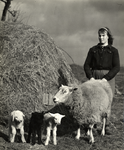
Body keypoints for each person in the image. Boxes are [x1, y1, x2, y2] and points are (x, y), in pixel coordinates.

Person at [84, 27, 120, 96]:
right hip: (94, 77)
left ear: (108, 37)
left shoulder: (113, 51)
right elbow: (86, 65)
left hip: (108, 78)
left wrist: (106, 78)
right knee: (94, 98)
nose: (101, 38)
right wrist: (91, 77)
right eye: (100, 36)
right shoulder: (92, 50)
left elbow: (116, 67)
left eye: (103, 35)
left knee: (107, 100)